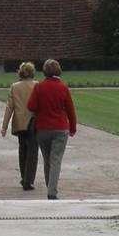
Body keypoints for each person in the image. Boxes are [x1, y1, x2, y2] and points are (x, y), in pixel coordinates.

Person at [26, 59, 78, 200]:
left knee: (47, 160)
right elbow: (70, 110)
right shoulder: (63, 87)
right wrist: (73, 127)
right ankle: (52, 191)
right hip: (60, 128)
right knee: (56, 160)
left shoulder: (39, 87)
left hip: (42, 128)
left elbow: (30, 106)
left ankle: (50, 187)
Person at [0, 61, 40, 191]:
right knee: (33, 152)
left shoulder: (14, 87)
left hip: (20, 122)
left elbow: (9, 108)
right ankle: (29, 180)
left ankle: (24, 177)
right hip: (34, 122)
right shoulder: (37, 85)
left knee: (23, 150)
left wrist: (4, 126)